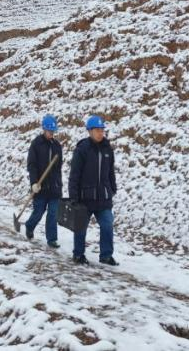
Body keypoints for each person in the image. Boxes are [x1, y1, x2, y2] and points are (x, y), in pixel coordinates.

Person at [67, 114, 117, 266]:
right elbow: (74, 174)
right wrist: (74, 197)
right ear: (89, 131)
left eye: (102, 130)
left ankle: (106, 255)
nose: (100, 133)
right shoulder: (82, 149)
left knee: (107, 225)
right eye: (97, 130)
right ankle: (78, 254)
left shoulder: (108, 149)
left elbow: (110, 172)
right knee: (81, 227)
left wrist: (112, 188)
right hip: (85, 198)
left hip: (103, 197)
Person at [24, 114, 63, 248]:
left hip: (54, 187)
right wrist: (34, 183)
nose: (51, 133)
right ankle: (29, 226)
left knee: (53, 213)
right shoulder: (36, 144)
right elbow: (32, 165)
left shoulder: (57, 146)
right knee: (38, 212)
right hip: (40, 186)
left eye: (53, 131)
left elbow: (58, 168)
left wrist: (58, 184)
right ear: (44, 129)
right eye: (49, 130)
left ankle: (52, 239)